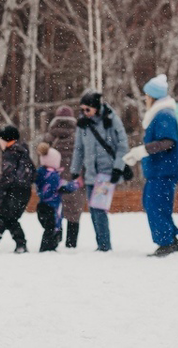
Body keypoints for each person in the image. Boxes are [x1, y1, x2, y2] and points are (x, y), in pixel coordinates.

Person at [124, 74, 178, 257]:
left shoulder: (164, 114)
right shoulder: (161, 113)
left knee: (155, 204)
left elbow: (168, 141)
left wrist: (143, 151)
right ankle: (171, 238)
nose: (145, 98)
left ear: (153, 96)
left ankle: (166, 242)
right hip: (160, 169)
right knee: (154, 203)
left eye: (147, 95)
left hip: (164, 169)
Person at [71, 90, 128, 252]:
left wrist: (118, 168)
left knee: (99, 209)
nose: (84, 113)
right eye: (81, 110)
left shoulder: (111, 120)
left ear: (96, 108)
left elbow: (122, 145)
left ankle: (104, 244)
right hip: (90, 173)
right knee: (93, 209)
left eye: (87, 109)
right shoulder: (83, 124)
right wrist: (75, 170)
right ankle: (101, 243)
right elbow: (78, 149)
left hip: (106, 173)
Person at [0, 125, 34, 253]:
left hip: (12, 190)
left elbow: (8, 175)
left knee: (0, 216)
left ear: (6, 140)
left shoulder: (11, 152)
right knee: (11, 218)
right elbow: (33, 172)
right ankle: (19, 244)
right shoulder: (24, 151)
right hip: (25, 191)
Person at [46, 104, 83, 248]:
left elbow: (42, 155)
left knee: (56, 209)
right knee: (74, 211)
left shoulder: (50, 136)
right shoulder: (78, 135)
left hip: (55, 178)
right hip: (75, 177)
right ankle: (71, 242)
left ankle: (56, 237)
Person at [35, 144, 81, 252]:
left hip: (42, 206)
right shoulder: (53, 176)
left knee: (49, 228)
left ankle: (50, 246)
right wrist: (76, 184)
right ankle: (47, 248)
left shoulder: (40, 173)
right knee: (53, 228)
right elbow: (63, 186)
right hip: (52, 207)